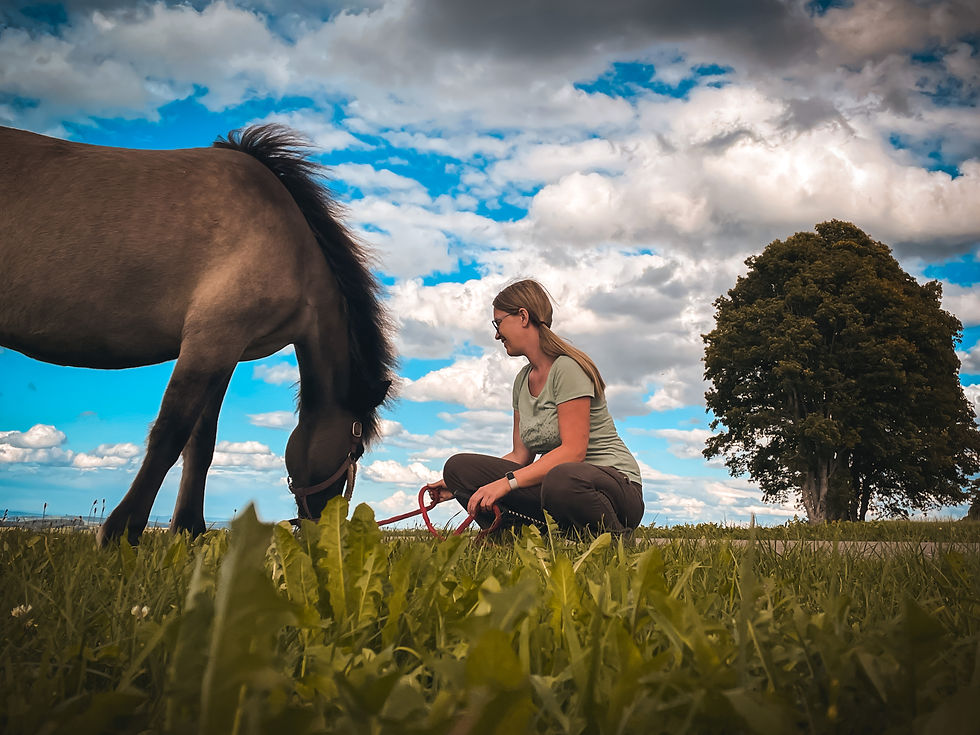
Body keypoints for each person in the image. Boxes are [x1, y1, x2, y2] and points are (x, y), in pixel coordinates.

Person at [426, 279, 644, 539]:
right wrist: (459, 483)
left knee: (561, 477)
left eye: (498, 323)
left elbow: (573, 452)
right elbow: (520, 457)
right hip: (556, 487)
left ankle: (614, 540)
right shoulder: (522, 380)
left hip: (614, 490)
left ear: (523, 316)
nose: (497, 334)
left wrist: (506, 483)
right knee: (458, 467)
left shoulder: (567, 369)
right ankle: (511, 539)